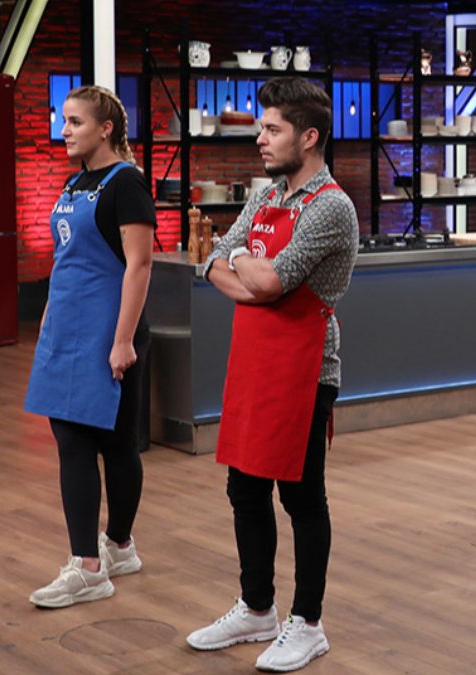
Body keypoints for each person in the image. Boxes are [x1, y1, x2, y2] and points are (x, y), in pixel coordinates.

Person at [186, 77, 359, 672]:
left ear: (308, 137)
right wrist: (238, 266)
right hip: (256, 360)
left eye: (272, 129)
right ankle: (257, 608)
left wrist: (237, 261)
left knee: (302, 498)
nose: (260, 138)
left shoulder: (331, 206)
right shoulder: (265, 198)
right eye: (261, 127)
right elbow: (218, 264)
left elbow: (265, 279)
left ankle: (308, 623)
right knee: (244, 489)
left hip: (307, 368)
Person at [23, 85, 156, 609]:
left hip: (107, 334)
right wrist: (48, 321)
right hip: (67, 329)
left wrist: (122, 340)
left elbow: (139, 265)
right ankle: (117, 548)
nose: (65, 130)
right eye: (64, 120)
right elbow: (67, 260)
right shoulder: (75, 183)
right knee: (82, 440)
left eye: (75, 122)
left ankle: (89, 567)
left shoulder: (127, 183)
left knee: (98, 444)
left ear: (106, 129)